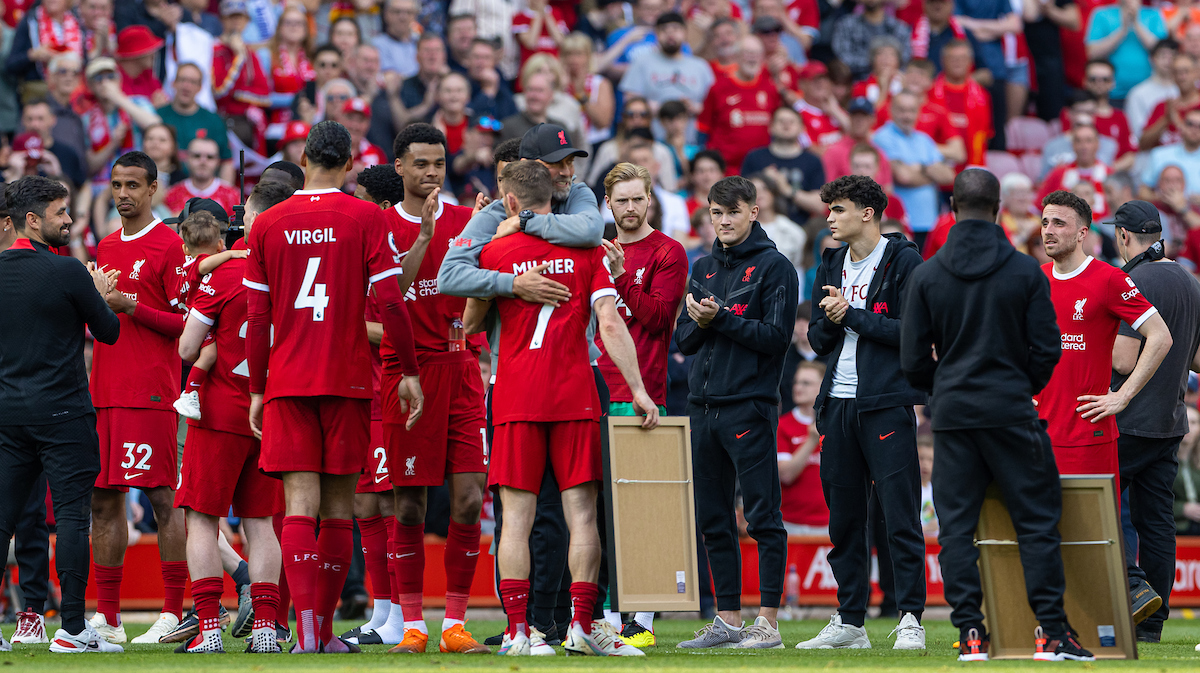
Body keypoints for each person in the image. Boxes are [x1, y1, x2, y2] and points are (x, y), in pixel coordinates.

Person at [243, 120, 423, 654]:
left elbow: (258, 317)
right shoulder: (367, 216)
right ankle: (323, 634)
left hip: (288, 379)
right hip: (347, 380)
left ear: (303, 158)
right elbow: (391, 302)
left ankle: (303, 638)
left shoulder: (267, 224)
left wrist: (257, 389)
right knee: (340, 509)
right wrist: (409, 370)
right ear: (348, 164)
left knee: (299, 504)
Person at [898, 168, 1093, 662]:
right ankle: (1051, 633)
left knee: (957, 529)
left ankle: (970, 635)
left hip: (955, 416)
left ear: (951, 207)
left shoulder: (928, 274)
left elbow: (913, 360)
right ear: (999, 206)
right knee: (1036, 523)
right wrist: (1017, 386)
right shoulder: (1026, 270)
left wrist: (943, 388)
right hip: (1010, 411)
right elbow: (1047, 349)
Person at [466, 159, 654, 658]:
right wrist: (637, 390)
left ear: (511, 202)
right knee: (582, 517)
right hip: (574, 394)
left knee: (517, 517)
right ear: (556, 198)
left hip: (514, 394)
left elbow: (467, 322)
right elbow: (610, 325)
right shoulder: (587, 249)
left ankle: (516, 632)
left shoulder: (496, 250)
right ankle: (582, 627)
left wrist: (503, 284)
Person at [358, 125, 491, 655]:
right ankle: (412, 627)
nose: (431, 172)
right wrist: (423, 239)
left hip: (459, 369)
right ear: (399, 167)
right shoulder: (380, 225)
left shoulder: (467, 221)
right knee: (408, 507)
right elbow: (394, 294)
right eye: (420, 163)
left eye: (438, 162)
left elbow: (486, 285)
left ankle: (454, 625)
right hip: (404, 374)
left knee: (469, 498)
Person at [799, 174, 926, 651]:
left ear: (867, 213)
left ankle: (910, 615)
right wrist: (834, 320)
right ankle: (850, 620)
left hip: (886, 403)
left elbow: (914, 333)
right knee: (845, 518)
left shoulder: (905, 260)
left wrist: (849, 315)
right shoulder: (830, 260)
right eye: (829, 209)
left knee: (899, 514)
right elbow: (816, 339)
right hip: (838, 403)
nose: (829, 218)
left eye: (838, 209)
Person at [674, 176, 798, 650]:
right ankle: (727, 619)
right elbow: (684, 340)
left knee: (763, 515)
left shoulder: (775, 268)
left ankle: (767, 622)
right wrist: (707, 321)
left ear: (754, 211)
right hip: (702, 409)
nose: (724, 221)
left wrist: (719, 319)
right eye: (716, 213)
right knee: (713, 518)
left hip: (749, 406)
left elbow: (775, 338)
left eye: (733, 212)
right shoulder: (702, 266)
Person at [0, 177, 122, 655]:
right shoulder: (70, 272)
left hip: (9, 414)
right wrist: (97, 290)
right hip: (65, 413)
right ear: (33, 220)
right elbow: (108, 332)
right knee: (73, 516)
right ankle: (72, 629)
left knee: (2, 520)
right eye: (60, 213)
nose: (69, 220)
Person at [174, 191, 290, 654]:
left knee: (202, 519)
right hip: (269, 412)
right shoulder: (288, 272)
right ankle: (266, 628)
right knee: (261, 524)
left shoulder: (224, 272)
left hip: (218, 411)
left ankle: (209, 627)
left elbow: (187, 347)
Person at [88, 151, 189, 645]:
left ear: (153, 189)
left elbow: (186, 324)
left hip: (150, 391)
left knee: (162, 498)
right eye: (117, 185)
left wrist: (132, 306)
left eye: (133, 185)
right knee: (103, 501)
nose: (123, 194)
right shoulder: (105, 246)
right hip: (104, 390)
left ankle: (174, 611)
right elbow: (104, 320)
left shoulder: (170, 246)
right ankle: (106, 618)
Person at [1035, 191, 1172, 524]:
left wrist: (1122, 396)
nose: (1048, 230)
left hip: (1087, 437)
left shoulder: (1109, 279)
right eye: (1044, 222)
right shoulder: (1034, 278)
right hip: (1036, 434)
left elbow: (1161, 336)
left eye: (1059, 223)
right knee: (1040, 540)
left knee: (1091, 543)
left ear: (1083, 233)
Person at [597, 162, 689, 647]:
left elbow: (656, 319)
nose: (630, 208)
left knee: (640, 510)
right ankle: (607, 614)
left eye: (638, 198)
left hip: (641, 392)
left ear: (650, 199)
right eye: (621, 200)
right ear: (607, 204)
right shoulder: (592, 246)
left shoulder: (668, 252)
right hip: (591, 387)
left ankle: (642, 618)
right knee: (597, 511)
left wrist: (620, 277)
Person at [1109, 201, 1200, 642]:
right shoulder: (1189, 279)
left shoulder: (1134, 279)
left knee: (1096, 505)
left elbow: (1123, 361)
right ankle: (1152, 625)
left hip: (1128, 420)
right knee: (1157, 522)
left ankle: (1133, 586)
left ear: (1123, 235)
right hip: (1171, 421)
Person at [872, 92, 956, 243]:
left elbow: (948, 176)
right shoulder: (882, 137)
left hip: (929, 222)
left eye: (911, 110)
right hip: (899, 224)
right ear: (891, 110)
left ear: (918, 112)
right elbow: (904, 176)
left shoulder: (924, 140)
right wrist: (931, 172)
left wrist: (919, 168)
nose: (907, 115)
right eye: (902, 110)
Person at [697, 35, 780, 171]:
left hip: (761, 170)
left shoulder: (770, 88)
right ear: (736, 56)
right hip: (727, 170)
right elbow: (703, 128)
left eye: (757, 53)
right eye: (748, 53)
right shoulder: (718, 88)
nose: (752, 57)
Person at [618, 13, 715, 119]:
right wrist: (652, 107)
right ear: (656, 34)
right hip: (652, 132)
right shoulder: (641, 63)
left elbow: (715, 103)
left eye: (676, 29)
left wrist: (695, 108)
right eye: (664, 30)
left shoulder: (700, 66)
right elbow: (630, 100)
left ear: (685, 33)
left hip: (691, 132)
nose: (670, 35)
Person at [740, 106, 827, 224]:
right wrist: (763, 182)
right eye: (781, 121)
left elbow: (819, 206)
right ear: (771, 127)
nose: (786, 125)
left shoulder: (812, 161)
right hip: (759, 227)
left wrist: (787, 190)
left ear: (802, 128)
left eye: (791, 122)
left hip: (801, 228)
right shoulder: (754, 158)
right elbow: (742, 199)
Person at [777, 361, 830, 536]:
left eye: (806, 383)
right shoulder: (783, 426)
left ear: (822, 387)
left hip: (829, 523)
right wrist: (811, 441)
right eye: (796, 382)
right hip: (791, 524)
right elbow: (785, 475)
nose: (798, 387)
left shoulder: (837, 425)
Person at [157, 63, 233, 180]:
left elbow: (226, 161)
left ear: (200, 87)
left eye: (193, 82)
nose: (186, 86)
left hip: (202, 188)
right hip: (164, 184)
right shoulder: (158, 115)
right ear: (173, 83)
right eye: (183, 80)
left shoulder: (213, 120)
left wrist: (225, 195)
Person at [1085, 0, 1167, 102]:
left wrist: (1136, 23)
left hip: (1149, 93)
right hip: (1109, 93)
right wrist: (1123, 30)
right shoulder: (1101, 14)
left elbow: (1162, 52)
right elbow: (1092, 53)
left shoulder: (1154, 14)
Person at [1037, 124, 1112, 222]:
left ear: (1097, 144)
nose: (1083, 146)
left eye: (1088, 141)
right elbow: (1040, 206)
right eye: (1078, 141)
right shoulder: (1058, 174)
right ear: (1072, 145)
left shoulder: (1110, 175)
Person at [830, 0, 911, 80]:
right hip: (855, 82)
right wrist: (876, 62)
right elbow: (843, 58)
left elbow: (905, 58)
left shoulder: (899, 27)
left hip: (892, 83)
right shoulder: (846, 25)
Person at [1139, 52, 1200, 151]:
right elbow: (1143, 144)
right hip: (1166, 163)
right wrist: (1166, 119)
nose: (1182, 77)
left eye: (1186, 71)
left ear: (1197, 72)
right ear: (1172, 76)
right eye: (1177, 72)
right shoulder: (1163, 106)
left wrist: (1177, 121)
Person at [164, 137, 240, 216]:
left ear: (218, 161)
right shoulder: (172, 195)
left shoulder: (232, 195)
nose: (203, 161)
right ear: (187, 159)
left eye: (210, 157)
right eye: (197, 156)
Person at [1127, 39, 1180, 140]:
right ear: (1152, 59)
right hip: (1150, 150)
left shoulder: (1184, 90)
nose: (1168, 61)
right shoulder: (1138, 93)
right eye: (1163, 56)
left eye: (1173, 56)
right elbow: (1137, 132)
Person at [373, 0, 419, 77]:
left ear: (415, 16)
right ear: (386, 14)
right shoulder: (375, 45)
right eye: (397, 12)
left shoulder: (420, 43)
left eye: (409, 12)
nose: (403, 17)